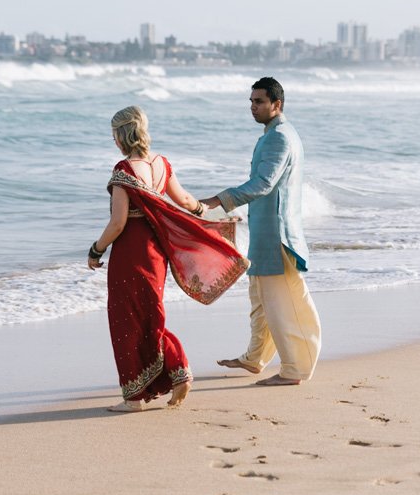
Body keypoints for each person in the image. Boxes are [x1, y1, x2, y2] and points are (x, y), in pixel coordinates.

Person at [89, 105, 248, 412]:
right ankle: (178, 372)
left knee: (128, 321)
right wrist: (212, 218)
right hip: (156, 254)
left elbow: (118, 223)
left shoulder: (123, 170)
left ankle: (135, 398)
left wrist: (96, 249)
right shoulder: (162, 164)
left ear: (120, 135)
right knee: (151, 315)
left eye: (113, 134)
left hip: (129, 253)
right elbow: (187, 201)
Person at [201, 77, 322, 386]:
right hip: (263, 232)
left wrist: (218, 201)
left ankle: (294, 369)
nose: (252, 107)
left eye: (259, 102)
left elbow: (263, 184)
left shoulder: (280, 137)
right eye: (251, 102)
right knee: (260, 301)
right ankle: (255, 359)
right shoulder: (274, 134)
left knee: (284, 306)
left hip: (276, 236)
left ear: (276, 104)